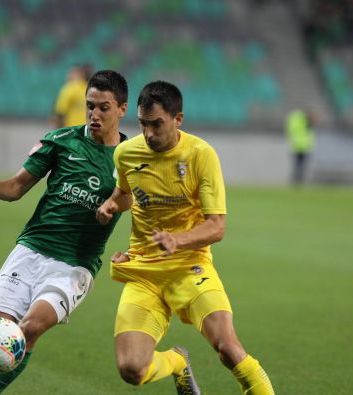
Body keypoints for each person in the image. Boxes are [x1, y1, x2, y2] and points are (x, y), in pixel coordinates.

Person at [0, 69, 128, 395]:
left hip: (74, 264)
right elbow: (17, 187)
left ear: (122, 108)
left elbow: (134, 197)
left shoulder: (130, 157)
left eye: (103, 107)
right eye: (90, 105)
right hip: (32, 248)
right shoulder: (60, 141)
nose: (94, 114)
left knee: (28, 331)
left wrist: (114, 205)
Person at [96, 81, 275, 395]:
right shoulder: (126, 153)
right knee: (132, 369)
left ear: (178, 119)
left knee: (228, 349)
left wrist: (178, 241)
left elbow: (217, 226)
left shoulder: (201, 154)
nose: (149, 134)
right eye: (143, 124)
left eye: (157, 124)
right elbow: (126, 192)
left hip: (190, 267)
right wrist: (112, 204)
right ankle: (178, 362)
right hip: (144, 272)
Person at [51, 63, 93, 128]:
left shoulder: (70, 88)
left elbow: (60, 113)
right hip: (88, 131)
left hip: (72, 131)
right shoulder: (93, 89)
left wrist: (58, 133)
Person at [285, 108, 316, 184]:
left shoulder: (299, 122)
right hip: (301, 147)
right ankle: (298, 181)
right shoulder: (303, 122)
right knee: (299, 165)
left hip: (300, 146)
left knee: (299, 165)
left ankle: (297, 180)